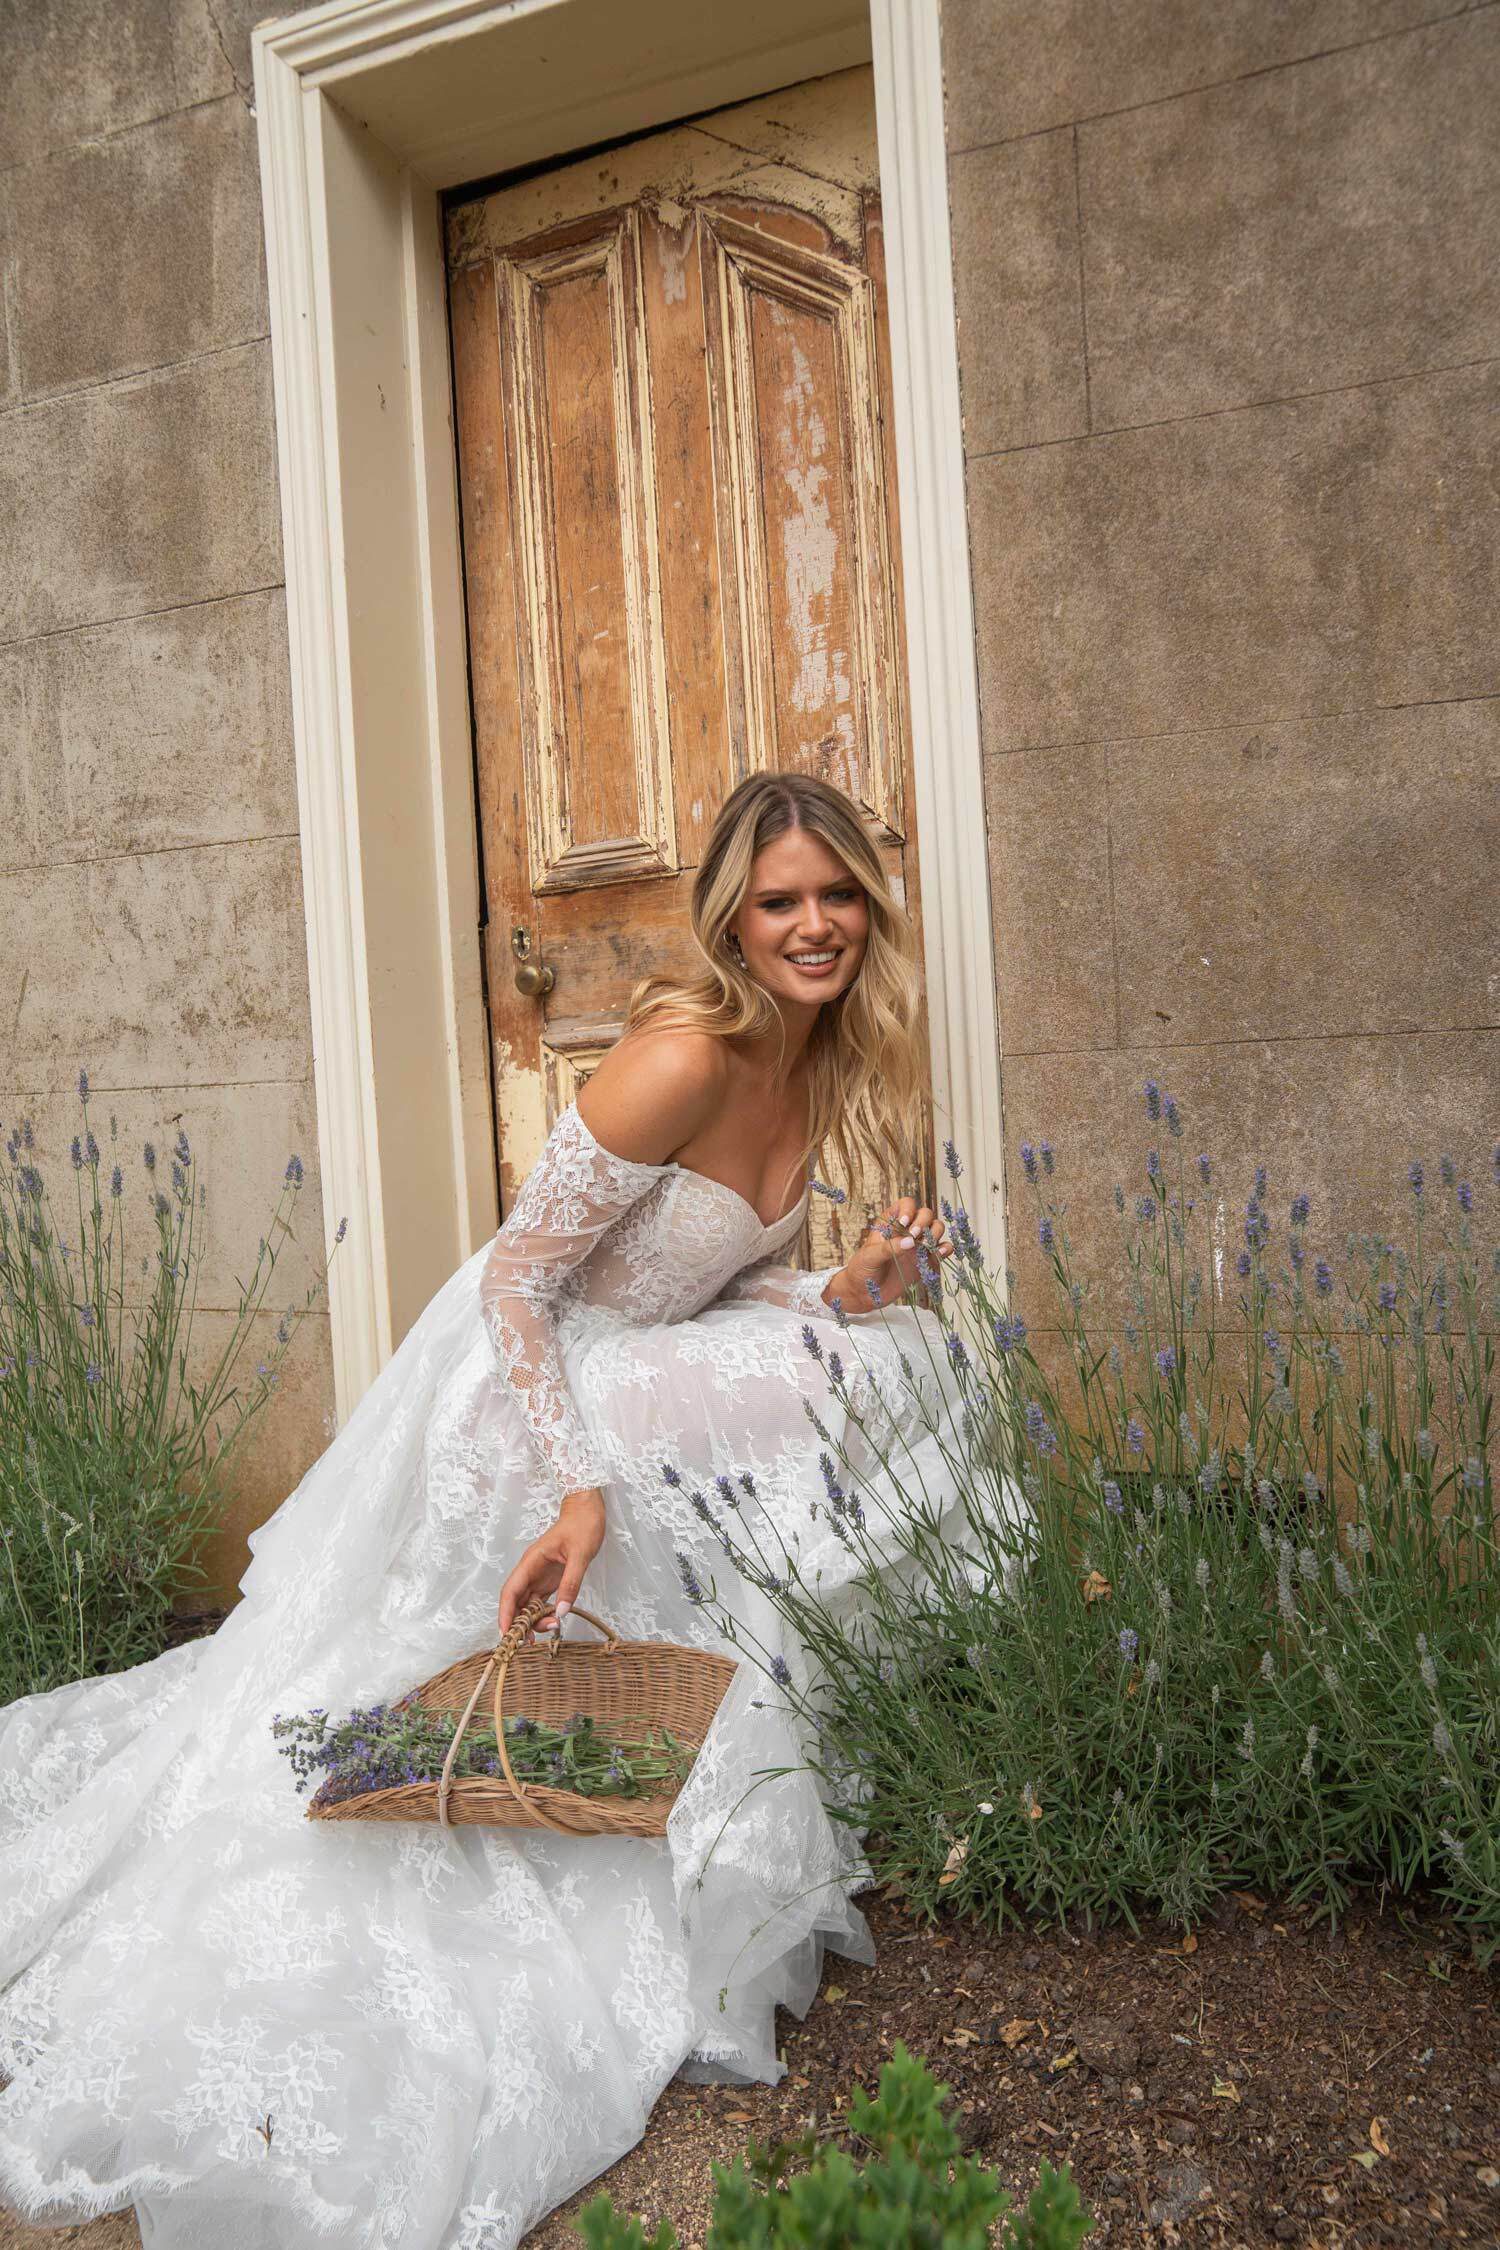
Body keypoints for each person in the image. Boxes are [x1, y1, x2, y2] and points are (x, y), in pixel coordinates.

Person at [0, 771, 1027, 2249]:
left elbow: (717, 1281)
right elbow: (514, 1284)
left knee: (895, 1354)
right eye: (783, 898)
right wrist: (576, 1480)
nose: (815, 924)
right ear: (732, 913)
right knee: (379, 1713)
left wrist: (844, 1287)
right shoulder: (681, 1052)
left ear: (871, 902)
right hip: (517, 1395)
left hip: (630, 1370)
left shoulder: (817, 1064)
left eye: (838, 894)